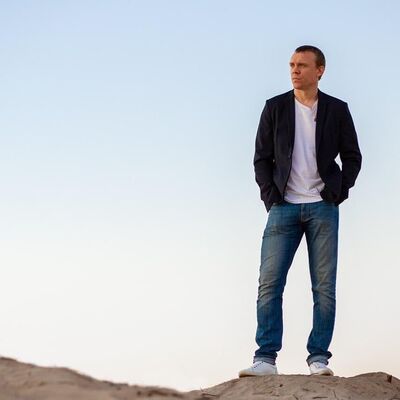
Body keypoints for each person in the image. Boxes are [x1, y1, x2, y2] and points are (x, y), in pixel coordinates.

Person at [238, 45, 362, 377]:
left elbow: (353, 156)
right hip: (283, 208)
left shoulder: (337, 110)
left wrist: (338, 192)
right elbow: (261, 158)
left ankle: (318, 358)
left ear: (319, 70)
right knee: (269, 284)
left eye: (302, 65)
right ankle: (265, 359)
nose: (295, 70)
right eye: (292, 64)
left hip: (323, 207)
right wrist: (270, 197)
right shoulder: (275, 107)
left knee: (324, 287)